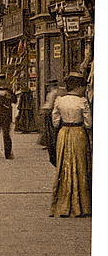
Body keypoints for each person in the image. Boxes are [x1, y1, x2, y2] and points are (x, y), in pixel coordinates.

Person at [49, 72, 92, 218]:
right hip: (78, 133)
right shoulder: (82, 101)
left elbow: (55, 121)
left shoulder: (59, 100)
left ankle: (62, 203)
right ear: (79, 87)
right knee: (80, 166)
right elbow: (88, 123)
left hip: (63, 133)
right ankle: (81, 205)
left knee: (63, 165)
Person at [39, 79, 65, 165]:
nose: (48, 87)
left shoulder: (53, 93)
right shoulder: (57, 92)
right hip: (52, 113)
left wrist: (43, 109)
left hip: (51, 114)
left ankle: (51, 144)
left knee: (50, 131)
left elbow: (50, 105)